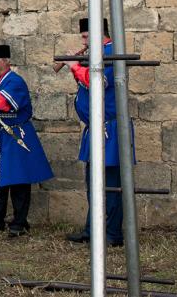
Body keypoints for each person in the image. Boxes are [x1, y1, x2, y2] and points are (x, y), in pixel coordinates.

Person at [54, 18, 131, 247]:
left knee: (111, 181)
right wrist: (76, 64)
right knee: (93, 181)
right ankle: (92, 229)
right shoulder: (95, 54)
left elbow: (98, 81)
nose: (83, 41)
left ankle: (112, 233)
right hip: (94, 127)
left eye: (86, 37)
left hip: (110, 127)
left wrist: (75, 65)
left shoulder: (111, 52)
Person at [0, 43, 53, 236]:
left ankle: (19, 223)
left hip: (17, 134)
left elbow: (1, 104)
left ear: (5, 61)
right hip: (1, 134)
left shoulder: (15, 81)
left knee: (19, 180)